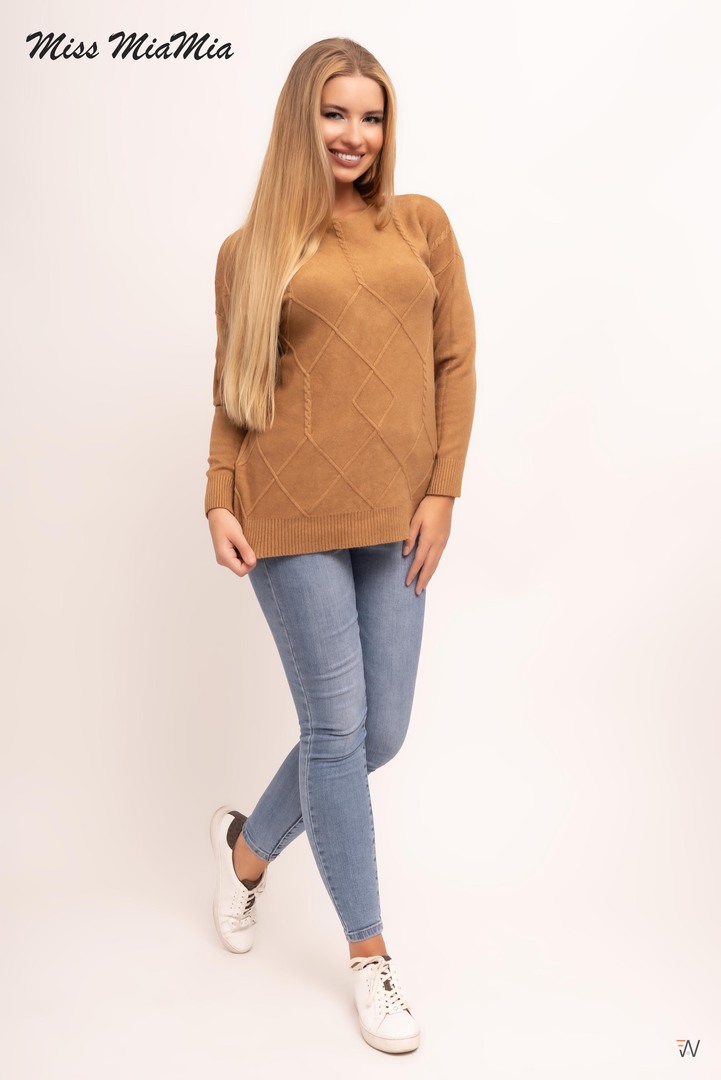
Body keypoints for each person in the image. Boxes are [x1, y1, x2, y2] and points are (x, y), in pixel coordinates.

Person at [204, 36, 476, 1055]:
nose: (354, 134)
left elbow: (455, 362)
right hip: (289, 514)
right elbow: (235, 388)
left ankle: (245, 853)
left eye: (370, 115)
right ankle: (370, 959)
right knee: (333, 730)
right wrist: (218, 495)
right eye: (334, 113)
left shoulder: (420, 224)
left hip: (397, 512)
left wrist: (442, 490)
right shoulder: (252, 249)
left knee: (379, 732)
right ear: (300, 121)